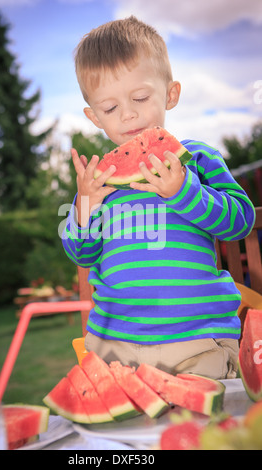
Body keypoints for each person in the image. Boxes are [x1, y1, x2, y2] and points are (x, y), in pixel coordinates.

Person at [62, 16, 256, 379]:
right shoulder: (99, 181)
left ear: (171, 93)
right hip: (115, 345)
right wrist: (85, 206)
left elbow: (240, 221)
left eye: (139, 97)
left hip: (197, 340)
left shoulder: (197, 158)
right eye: (110, 108)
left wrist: (186, 193)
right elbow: (81, 253)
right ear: (93, 117)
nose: (129, 113)